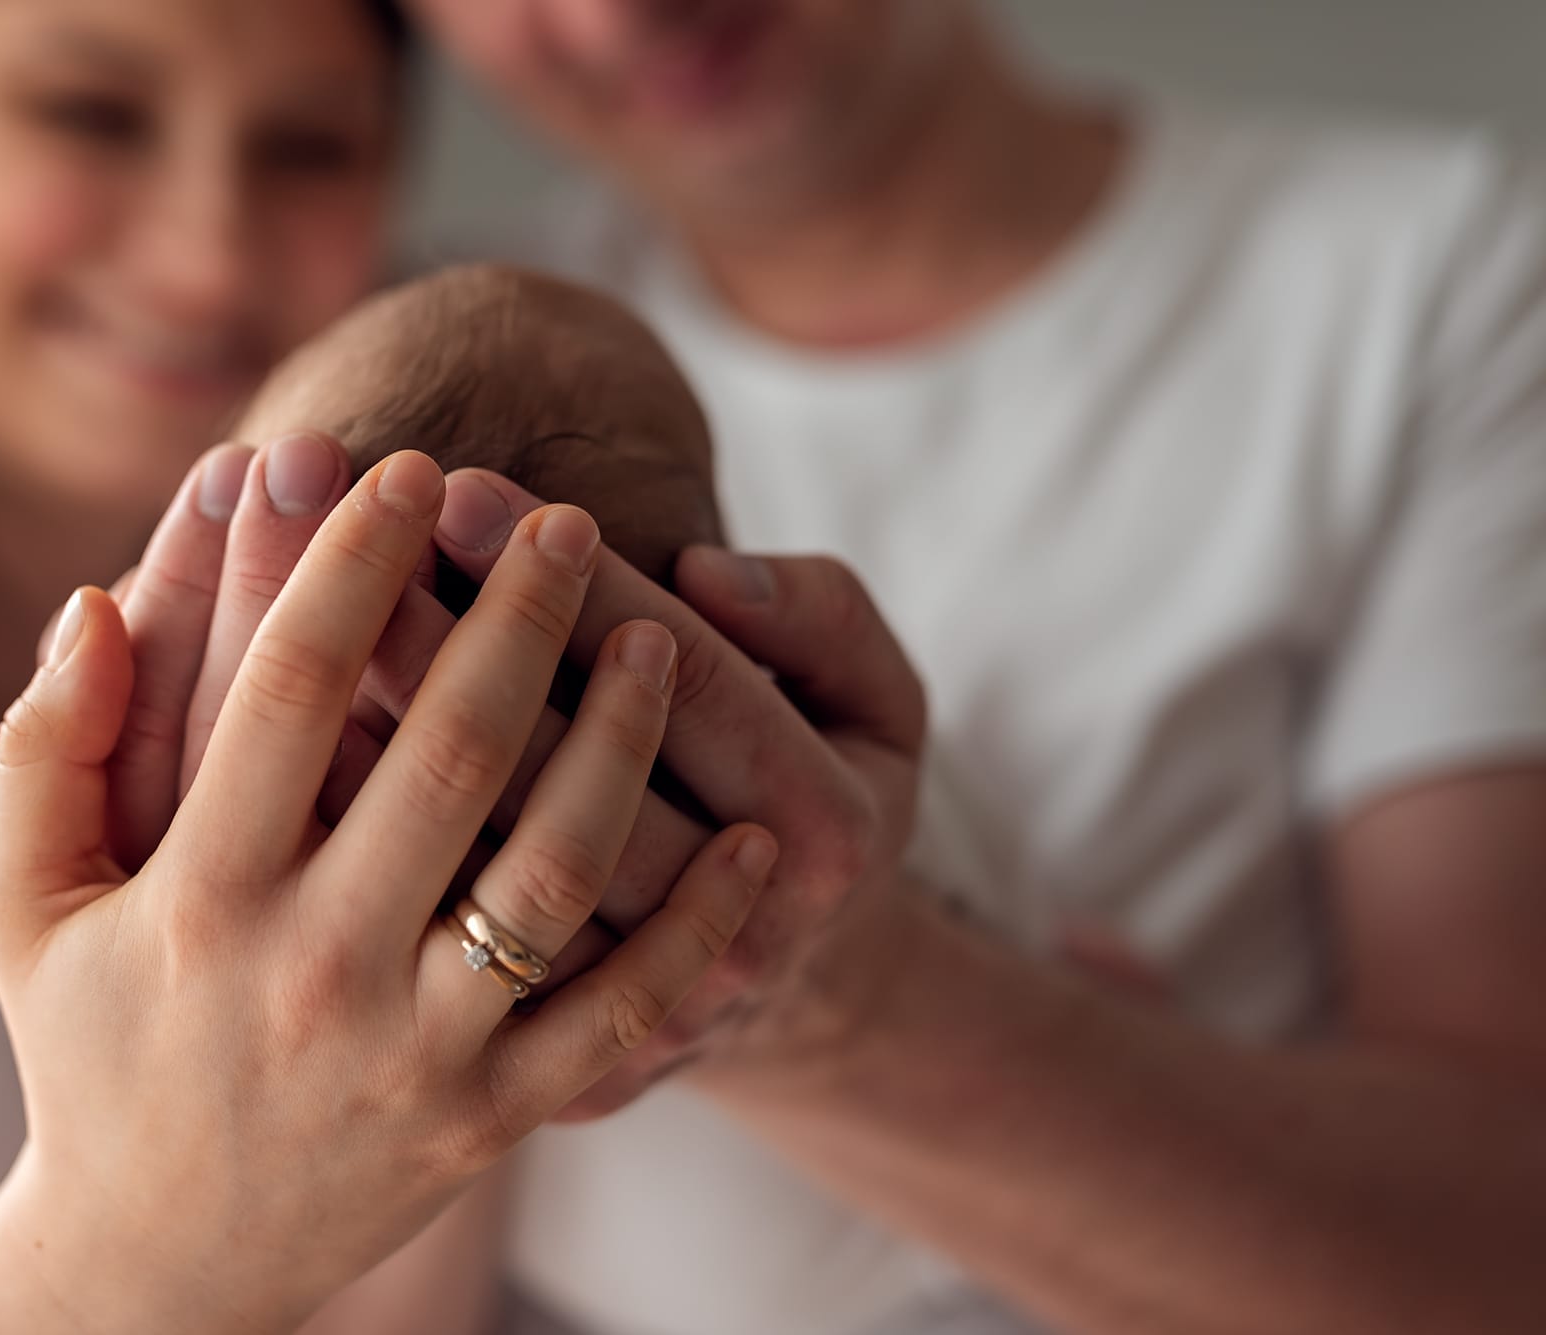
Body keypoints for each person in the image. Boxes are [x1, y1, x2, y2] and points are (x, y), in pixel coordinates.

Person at [178, 1, 1546, 1330]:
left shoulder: (1432, 284)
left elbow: (1502, 1251)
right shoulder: (426, 362)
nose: (609, 17)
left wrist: (847, 987)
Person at [0, 2, 778, 1332]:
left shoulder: (462, 687)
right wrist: (137, 1238)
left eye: (308, 147)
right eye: (88, 114)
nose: (207, 260)